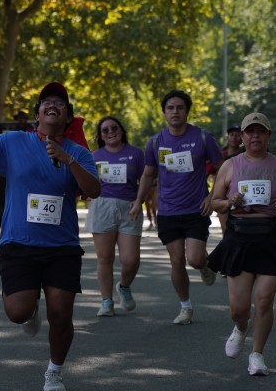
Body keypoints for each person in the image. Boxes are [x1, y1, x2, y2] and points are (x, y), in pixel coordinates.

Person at [0, 81, 100, 391]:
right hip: (19, 242)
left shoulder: (78, 152)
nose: (52, 105)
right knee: (18, 312)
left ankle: (54, 371)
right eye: (46, 102)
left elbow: (94, 190)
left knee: (61, 315)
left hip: (62, 246)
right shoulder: (13, 141)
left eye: (60, 103)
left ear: (67, 117)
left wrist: (69, 160)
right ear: (37, 114)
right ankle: (30, 309)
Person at [207, 112, 276, 376]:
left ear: (268, 136)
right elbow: (215, 202)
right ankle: (241, 327)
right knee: (238, 308)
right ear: (242, 136)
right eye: (250, 132)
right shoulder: (230, 166)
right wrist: (230, 202)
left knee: (263, 300)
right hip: (240, 237)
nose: (255, 136)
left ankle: (257, 355)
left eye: (261, 131)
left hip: (273, 236)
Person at [132, 89, 223, 325]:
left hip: (196, 209)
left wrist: (212, 196)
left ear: (187, 111)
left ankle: (204, 264)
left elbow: (223, 169)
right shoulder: (155, 142)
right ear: (164, 112)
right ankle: (185, 307)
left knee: (194, 259)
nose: (175, 112)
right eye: (170, 108)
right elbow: (148, 174)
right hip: (168, 211)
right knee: (176, 261)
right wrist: (138, 201)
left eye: (180, 108)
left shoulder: (203, 138)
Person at [87, 116, 145, 317]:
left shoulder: (136, 154)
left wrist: (139, 200)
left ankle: (124, 286)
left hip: (129, 208)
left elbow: (146, 179)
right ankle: (106, 301)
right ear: (100, 135)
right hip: (102, 206)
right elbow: (87, 182)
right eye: (105, 130)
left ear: (121, 130)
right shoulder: (94, 156)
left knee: (131, 259)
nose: (110, 132)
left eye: (114, 128)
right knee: (105, 257)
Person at [217, 124, 244, 235]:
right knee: (225, 229)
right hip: (223, 196)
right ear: (227, 137)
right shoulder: (219, 154)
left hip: (241, 196)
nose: (234, 138)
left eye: (237, 135)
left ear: (242, 138)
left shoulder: (246, 154)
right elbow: (209, 169)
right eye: (232, 135)